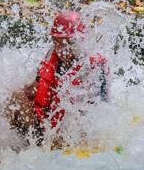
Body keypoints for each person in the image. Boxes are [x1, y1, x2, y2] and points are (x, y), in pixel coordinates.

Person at [7, 11, 109, 141]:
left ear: (80, 40)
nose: (61, 50)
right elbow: (35, 87)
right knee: (15, 99)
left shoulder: (94, 66)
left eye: (68, 43)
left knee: (65, 134)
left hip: (77, 131)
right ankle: (17, 146)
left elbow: (100, 111)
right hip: (48, 125)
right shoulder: (52, 54)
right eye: (57, 42)